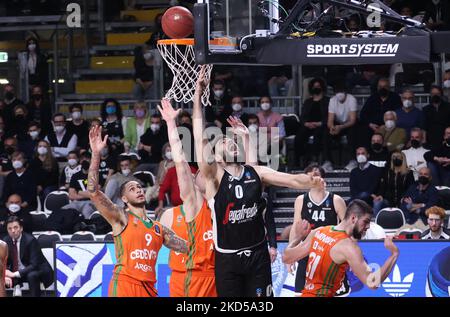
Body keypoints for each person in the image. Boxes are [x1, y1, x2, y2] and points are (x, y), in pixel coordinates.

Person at [193, 66, 324, 297]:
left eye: (231, 139)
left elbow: (292, 180)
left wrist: (311, 181)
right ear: (215, 156)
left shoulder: (256, 172)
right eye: (224, 141)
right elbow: (198, 135)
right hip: (227, 258)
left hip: (257, 254)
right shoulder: (214, 179)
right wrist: (197, 97)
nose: (229, 142)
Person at [87, 125, 188, 297]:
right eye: (132, 189)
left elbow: (187, 247)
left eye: (140, 188)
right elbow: (93, 191)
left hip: (149, 289)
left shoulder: (159, 228)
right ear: (124, 199)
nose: (139, 190)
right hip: (125, 284)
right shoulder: (121, 217)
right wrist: (96, 154)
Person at [158, 98, 216, 297]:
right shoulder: (195, 204)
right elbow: (181, 164)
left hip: (222, 275)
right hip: (192, 277)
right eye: (195, 174)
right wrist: (171, 123)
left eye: (200, 173)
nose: (196, 174)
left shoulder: (222, 201)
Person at [283, 200, 399, 297]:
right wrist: (393, 255)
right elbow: (372, 283)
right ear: (353, 218)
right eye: (366, 222)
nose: (368, 226)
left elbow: (286, 258)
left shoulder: (319, 231)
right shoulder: (348, 247)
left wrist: (297, 237)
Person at [289, 163, 346, 293]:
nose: (314, 175)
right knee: (302, 292)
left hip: (330, 253)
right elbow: (295, 227)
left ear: (323, 179)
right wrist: (291, 252)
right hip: (307, 251)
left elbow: (347, 229)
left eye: (317, 173)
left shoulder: (336, 200)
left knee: (331, 292)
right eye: (311, 174)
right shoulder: (300, 200)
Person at [3, 216, 53, 297]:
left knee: (31, 275)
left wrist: (14, 274)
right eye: (10, 228)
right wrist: (5, 274)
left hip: (37, 269)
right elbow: (3, 261)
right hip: (17, 271)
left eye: (15, 227)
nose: (13, 231)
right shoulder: (5, 241)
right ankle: (15, 287)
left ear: (21, 228)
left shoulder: (31, 240)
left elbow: (34, 265)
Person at [323, 82, 357, 171]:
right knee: (325, 133)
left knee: (353, 132)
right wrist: (332, 127)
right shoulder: (332, 100)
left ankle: (353, 160)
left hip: (349, 124)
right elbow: (330, 120)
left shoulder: (351, 99)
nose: (339, 94)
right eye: (337, 92)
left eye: (341, 91)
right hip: (337, 124)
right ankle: (328, 161)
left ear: (345, 91)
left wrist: (341, 127)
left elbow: (352, 120)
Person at [358, 78, 402, 148]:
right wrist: (370, 124)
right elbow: (363, 114)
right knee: (362, 132)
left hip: (389, 126)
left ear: (389, 87)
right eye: (380, 87)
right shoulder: (372, 98)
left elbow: (399, 114)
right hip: (372, 126)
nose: (382, 88)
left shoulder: (395, 98)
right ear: (377, 87)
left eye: (385, 86)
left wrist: (386, 125)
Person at [295, 78, 329, 165]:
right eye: (314, 86)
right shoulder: (308, 102)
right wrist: (305, 123)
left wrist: (320, 123)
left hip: (321, 126)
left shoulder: (327, 101)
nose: (316, 88)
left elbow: (330, 116)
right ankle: (298, 161)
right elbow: (302, 116)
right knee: (299, 137)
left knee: (318, 136)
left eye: (318, 86)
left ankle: (314, 159)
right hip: (308, 125)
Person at [372, 151, 415, 216]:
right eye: (394, 157)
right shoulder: (388, 172)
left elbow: (411, 188)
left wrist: (405, 197)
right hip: (389, 200)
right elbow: (383, 186)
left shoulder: (409, 173)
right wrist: (380, 195)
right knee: (377, 202)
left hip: (402, 200)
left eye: (398, 157)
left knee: (408, 205)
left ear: (402, 158)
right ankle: (376, 221)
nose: (396, 158)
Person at [65, 154, 96, 219]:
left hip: (91, 202)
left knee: (87, 212)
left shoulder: (96, 174)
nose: (85, 161)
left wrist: (79, 192)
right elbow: (71, 195)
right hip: (77, 202)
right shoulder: (75, 176)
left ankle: (88, 228)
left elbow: (94, 194)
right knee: (64, 210)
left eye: (87, 159)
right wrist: (86, 194)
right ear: (80, 161)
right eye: (83, 159)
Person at [422, 85, 450, 151]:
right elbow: (424, 127)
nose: (435, 95)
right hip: (430, 142)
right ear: (430, 95)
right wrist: (424, 141)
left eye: (437, 93)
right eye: (433, 94)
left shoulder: (448, 107)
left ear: (441, 95)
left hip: (446, 140)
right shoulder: (425, 109)